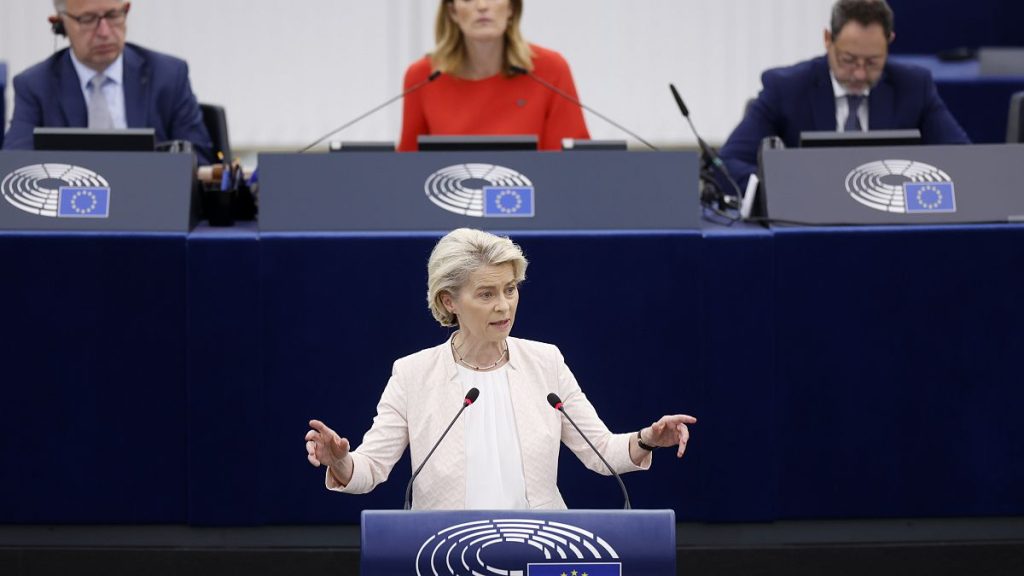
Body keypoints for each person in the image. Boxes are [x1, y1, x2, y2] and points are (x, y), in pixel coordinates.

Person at [305, 228, 696, 510]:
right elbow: (369, 469)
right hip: (445, 552)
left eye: (510, 289)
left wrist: (646, 438)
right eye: (487, 294)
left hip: (541, 548)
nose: (504, 306)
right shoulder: (413, 374)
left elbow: (602, 453)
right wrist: (339, 461)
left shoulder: (546, 362)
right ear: (449, 300)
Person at [719, 0, 970, 189]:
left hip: (891, 225)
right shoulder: (787, 88)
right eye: (848, 60)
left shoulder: (914, 86)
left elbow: (963, 160)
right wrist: (779, 192)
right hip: (808, 229)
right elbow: (728, 163)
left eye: (872, 62)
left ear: (889, 42)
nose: (859, 75)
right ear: (828, 39)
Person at [3, 0, 213, 164]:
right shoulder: (35, 85)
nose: (104, 32)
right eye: (87, 19)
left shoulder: (168, 74)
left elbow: (198, 160)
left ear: (126, 10)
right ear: (59, 23)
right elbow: (16, 166)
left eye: (113, 15)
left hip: (152, 208)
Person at [398, 0, 590, 152]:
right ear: (452, 12)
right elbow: (407, 168)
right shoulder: (424, 76)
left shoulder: (550, 70)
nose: (482, 6)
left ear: (511, 8)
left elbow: (573, 165)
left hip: (535, 199)